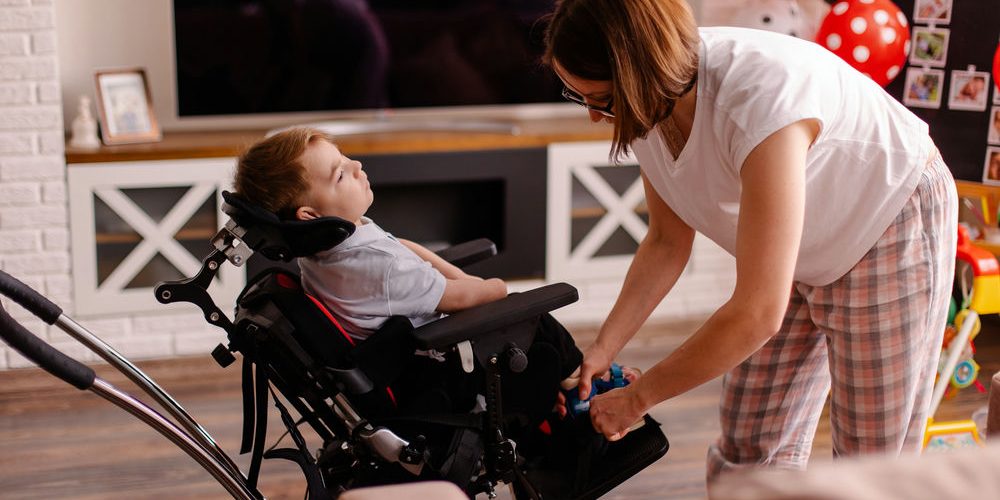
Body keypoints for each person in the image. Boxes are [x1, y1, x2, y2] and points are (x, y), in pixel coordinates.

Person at [542, 0, 957, 486]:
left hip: (887, 221)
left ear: (639, 73)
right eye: (578, 97)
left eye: (600, 100)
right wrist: (604, 349)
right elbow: (665, 242)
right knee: (749, 444)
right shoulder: (648, 107)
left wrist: (638, 399)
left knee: (872, 465)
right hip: (805, 245)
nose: (594, 117)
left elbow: (759, 313)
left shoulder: (760, 99)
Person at [232, 127, 638, 424]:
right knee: (535, 322)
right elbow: (468, 297)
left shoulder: (329, 247)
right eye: (340, 173)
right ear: (311, 215)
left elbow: (403, 245)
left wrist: (454, 274)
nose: (356, 165)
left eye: (346, 159)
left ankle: (562, 390)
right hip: (440, 370)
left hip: (414, 350)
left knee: (513, 319)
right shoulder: (380, 269)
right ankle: (584, 386)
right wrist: (496, 288)